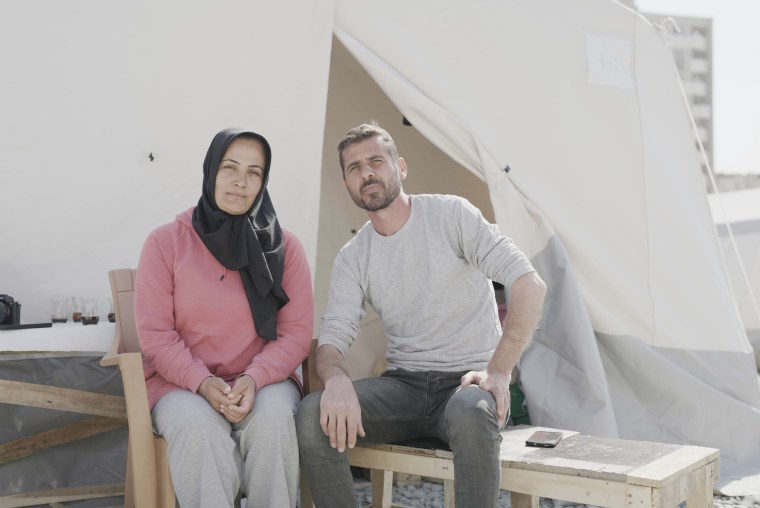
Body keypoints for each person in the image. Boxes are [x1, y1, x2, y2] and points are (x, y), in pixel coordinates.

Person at [296, 121, 546, 507]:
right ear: (346, 185)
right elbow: (331, 340)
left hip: (468, 384)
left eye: (376, 161)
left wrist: (497, 371)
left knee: (469, 409)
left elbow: (529, 285)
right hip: (404, 387)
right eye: (354, 168)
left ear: (401, 167)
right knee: (313, 413)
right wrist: (337, 380)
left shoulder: (451, 215)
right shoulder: (353, 258)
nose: (367, 173)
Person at [134, 128, 313, 508]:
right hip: (179, 383)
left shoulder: (285, 248)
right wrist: (202, 383)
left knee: (274, 423)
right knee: (199, 427)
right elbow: (156, 335)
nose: (240, 181)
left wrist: (254, 377)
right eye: (229, 167)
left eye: (254, 172)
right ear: (211, 170)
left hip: (263, 381)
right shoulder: (166, 243)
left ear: (263, 181)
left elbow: (296, 334)